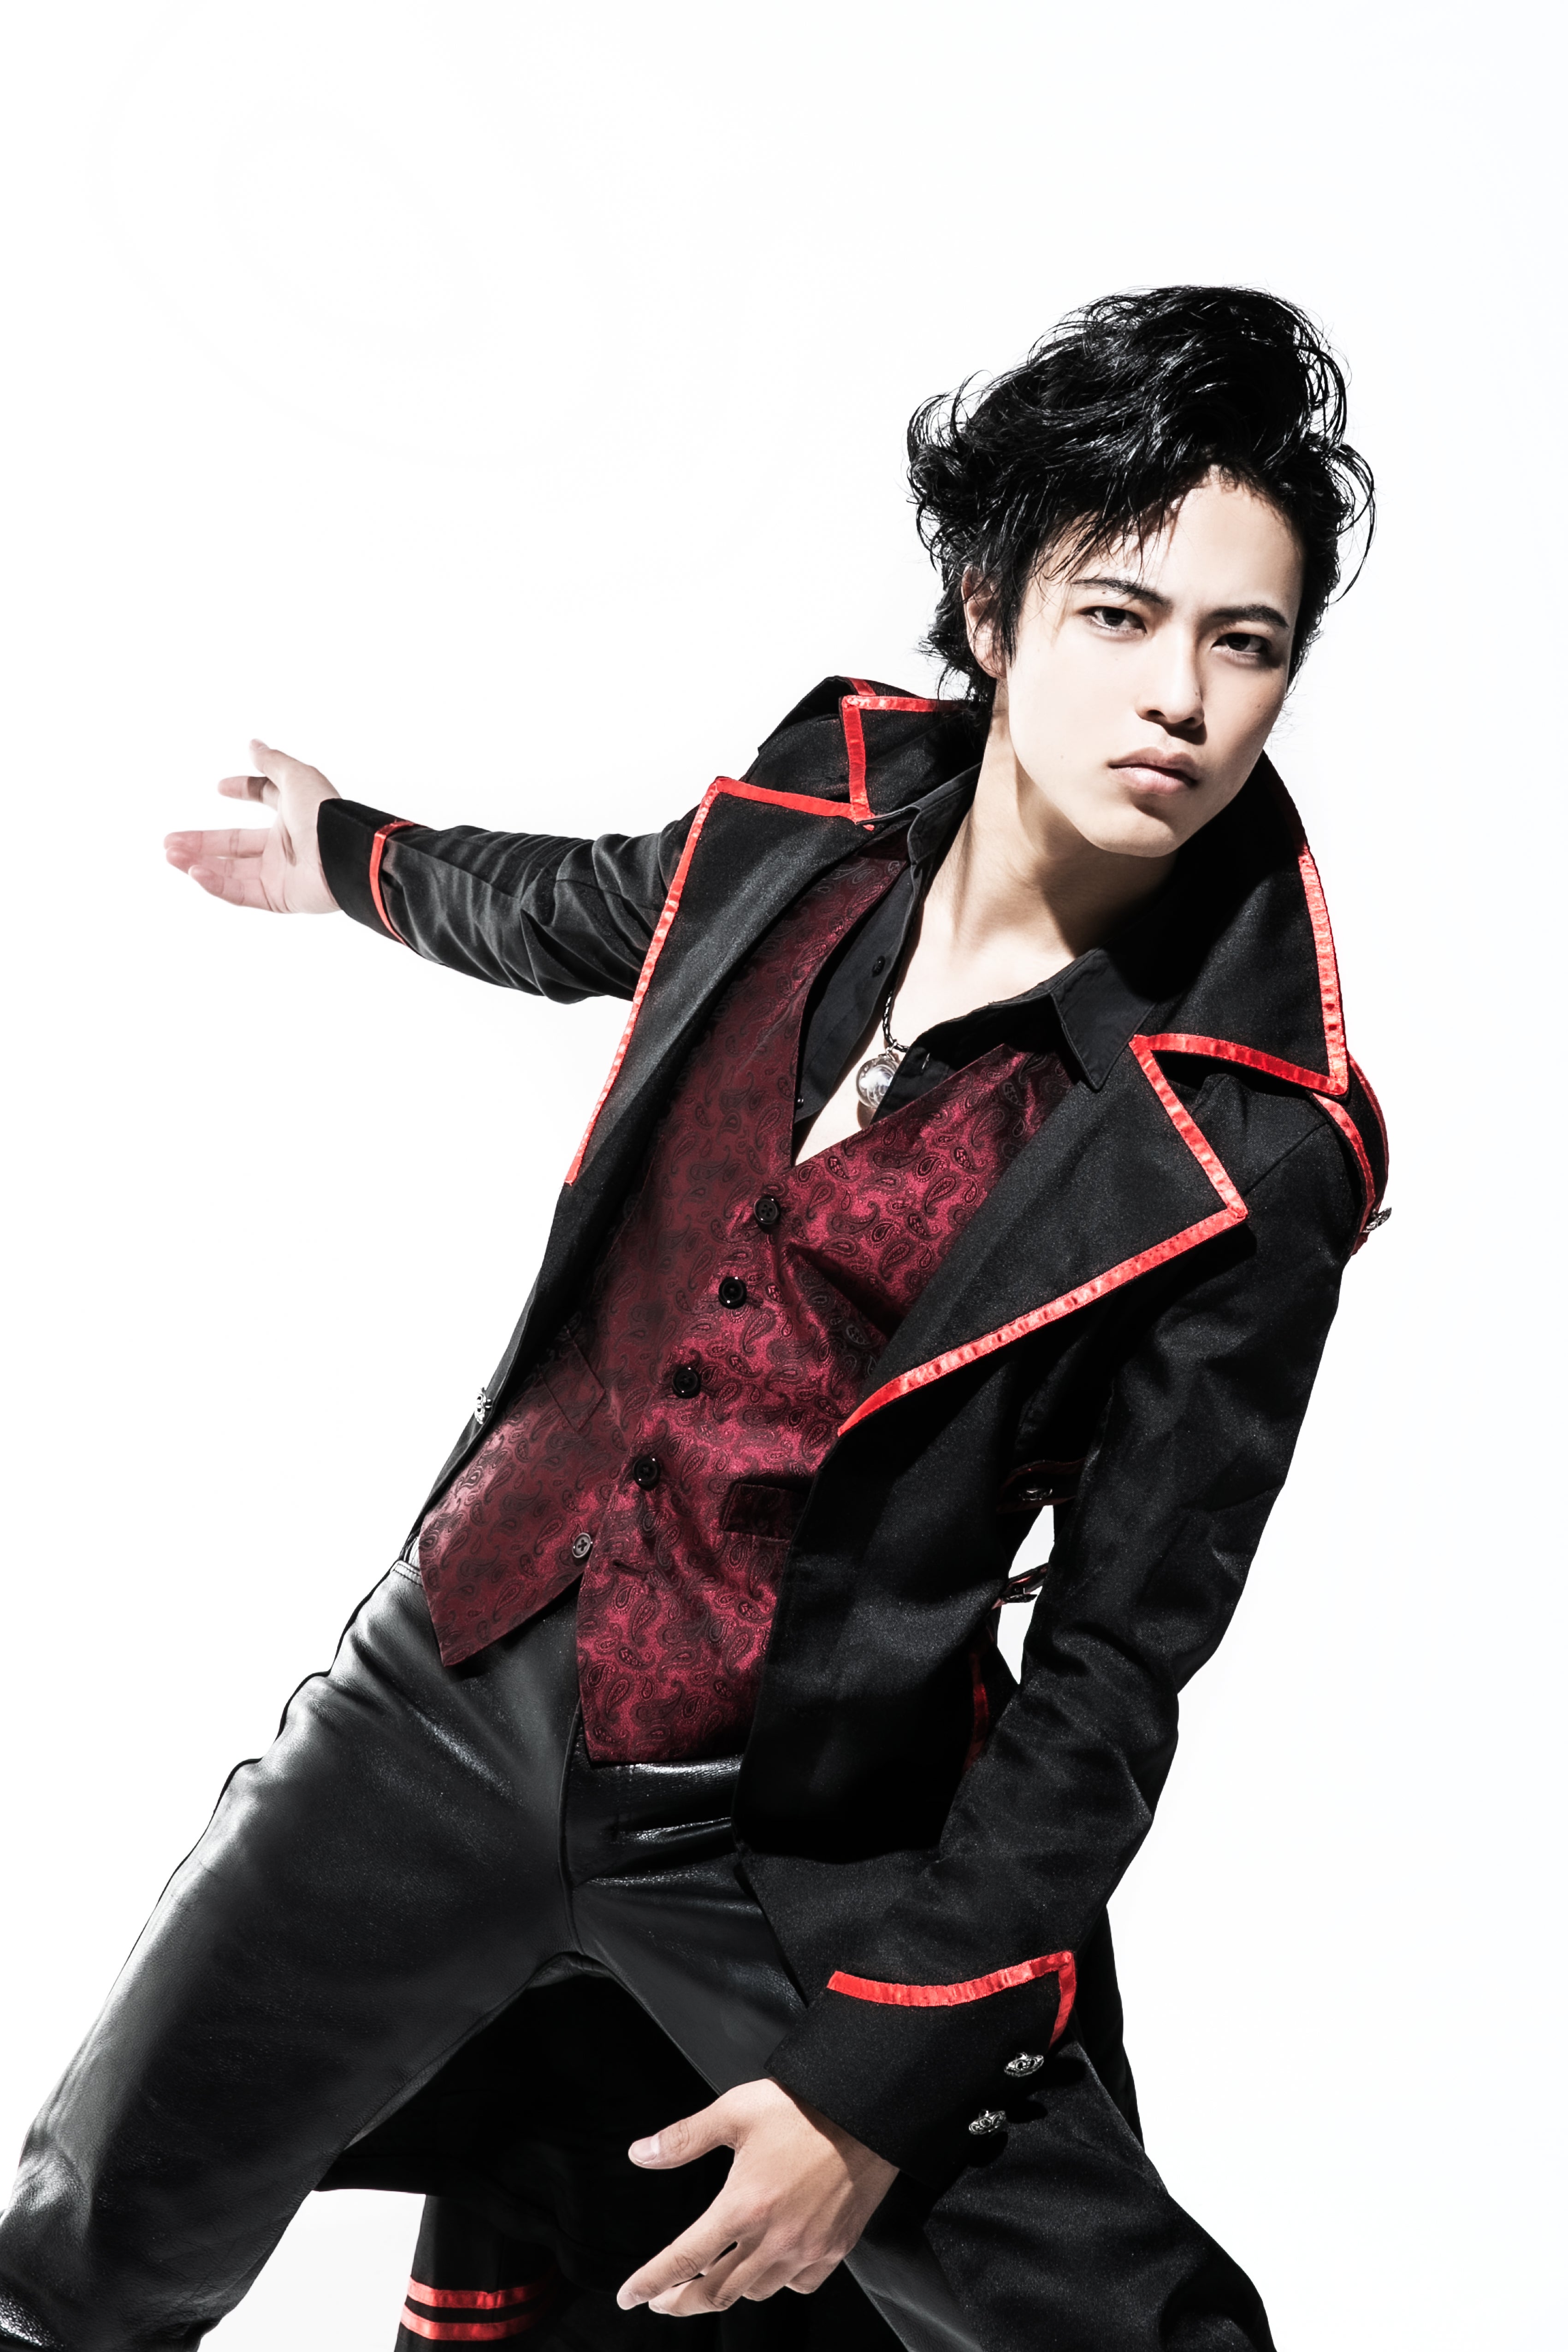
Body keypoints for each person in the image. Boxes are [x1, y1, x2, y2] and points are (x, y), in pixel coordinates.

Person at [0, 286, 1387, 2352]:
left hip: (800, 1831)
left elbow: (1113, 1670)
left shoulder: (1256, 1137)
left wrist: (869, 2085)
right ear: (993, 616)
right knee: (83, 2246)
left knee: (1119, 2328)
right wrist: (339, 851)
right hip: (446, 1694)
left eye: (1242, 642)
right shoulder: (817, 809)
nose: (1178, 697)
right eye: (1119, 615)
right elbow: (579, 905)